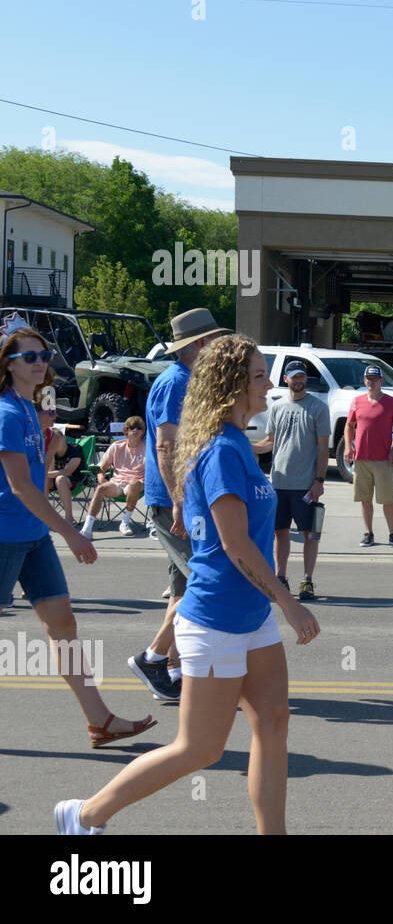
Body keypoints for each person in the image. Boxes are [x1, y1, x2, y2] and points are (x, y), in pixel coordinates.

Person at [55, 334, 321, 835]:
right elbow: (236, 546)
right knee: (200, 748)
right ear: (232, 384)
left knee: (274, 723)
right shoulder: (221, 450)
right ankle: (85, 815)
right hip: (218, 617)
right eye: (261, 376)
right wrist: (290, 603)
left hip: (251, 616)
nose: (271, 386)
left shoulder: (237, 441)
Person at [0, 315, 156, 744]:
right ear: (8, 363)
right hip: (5, 535)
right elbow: (19, 488)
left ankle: (100, 720)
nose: (38, 362)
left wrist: (51, 456)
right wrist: (71, 532)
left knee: (63, 624)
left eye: (43, 355)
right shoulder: (7, 413)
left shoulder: (30, 410)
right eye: (28, 356)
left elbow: (38, 478)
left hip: (32, 536)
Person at [130, 308, 230, 703]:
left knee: (184, 585)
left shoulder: (189, 380)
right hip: (175, 499)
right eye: (215, 340)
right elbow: (166, 445)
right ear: (200, 344)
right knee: (203, 580)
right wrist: (178, 501)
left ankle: (171, 669)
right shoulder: (176, 382)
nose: (219, 346)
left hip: (184, 497)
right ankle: (153, 658)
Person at [252, 360, 329, 601]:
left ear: (306, 379)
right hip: (278, 483)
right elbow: (270, 441)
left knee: (309, 534)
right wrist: (247, 446)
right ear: (285, 379)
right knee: (280, 532)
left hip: (305, 484)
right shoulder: (277, 407)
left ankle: (307, 580)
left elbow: (323, 447)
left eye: (302, 377)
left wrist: (319, 480)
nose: (298, 381)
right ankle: (280, 578)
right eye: (294, 377)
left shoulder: (318, 407)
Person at [344, 364, 393, 548]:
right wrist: (347, 447)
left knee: (387, 500)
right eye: (368, 378)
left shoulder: (391, 402)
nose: (371, 382)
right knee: (365, 499)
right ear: (364, 380)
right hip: (361, 459)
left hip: (383, 459)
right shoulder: (357, 401)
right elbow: (349, 425)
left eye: (375, 379)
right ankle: (368, 533)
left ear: (381, 381)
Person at [79, 415, 147, 537]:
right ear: (126, 431)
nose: (135, 430)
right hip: (118, 482)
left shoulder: (148, 446)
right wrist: (101, 479)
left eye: (139, 427)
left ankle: (125, 522)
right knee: (100, 489)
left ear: (143, 431)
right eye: (132, 427)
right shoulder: (116, 446)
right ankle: (87, 528)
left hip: (138, 483)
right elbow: (101, 469)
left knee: (134, 484)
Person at [41, 409, 85, 527]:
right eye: (52, 440)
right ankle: (44, 517)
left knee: (60, 478)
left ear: (64, 438)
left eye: (57, 439)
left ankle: (69, 518)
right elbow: (48, 472)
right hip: (56, 479)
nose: (55, 442)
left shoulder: (75, 449)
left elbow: (67, 471)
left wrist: (45, 474)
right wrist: (51, 453)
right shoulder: (51, 451)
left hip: (75, 480)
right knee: (45, 480)